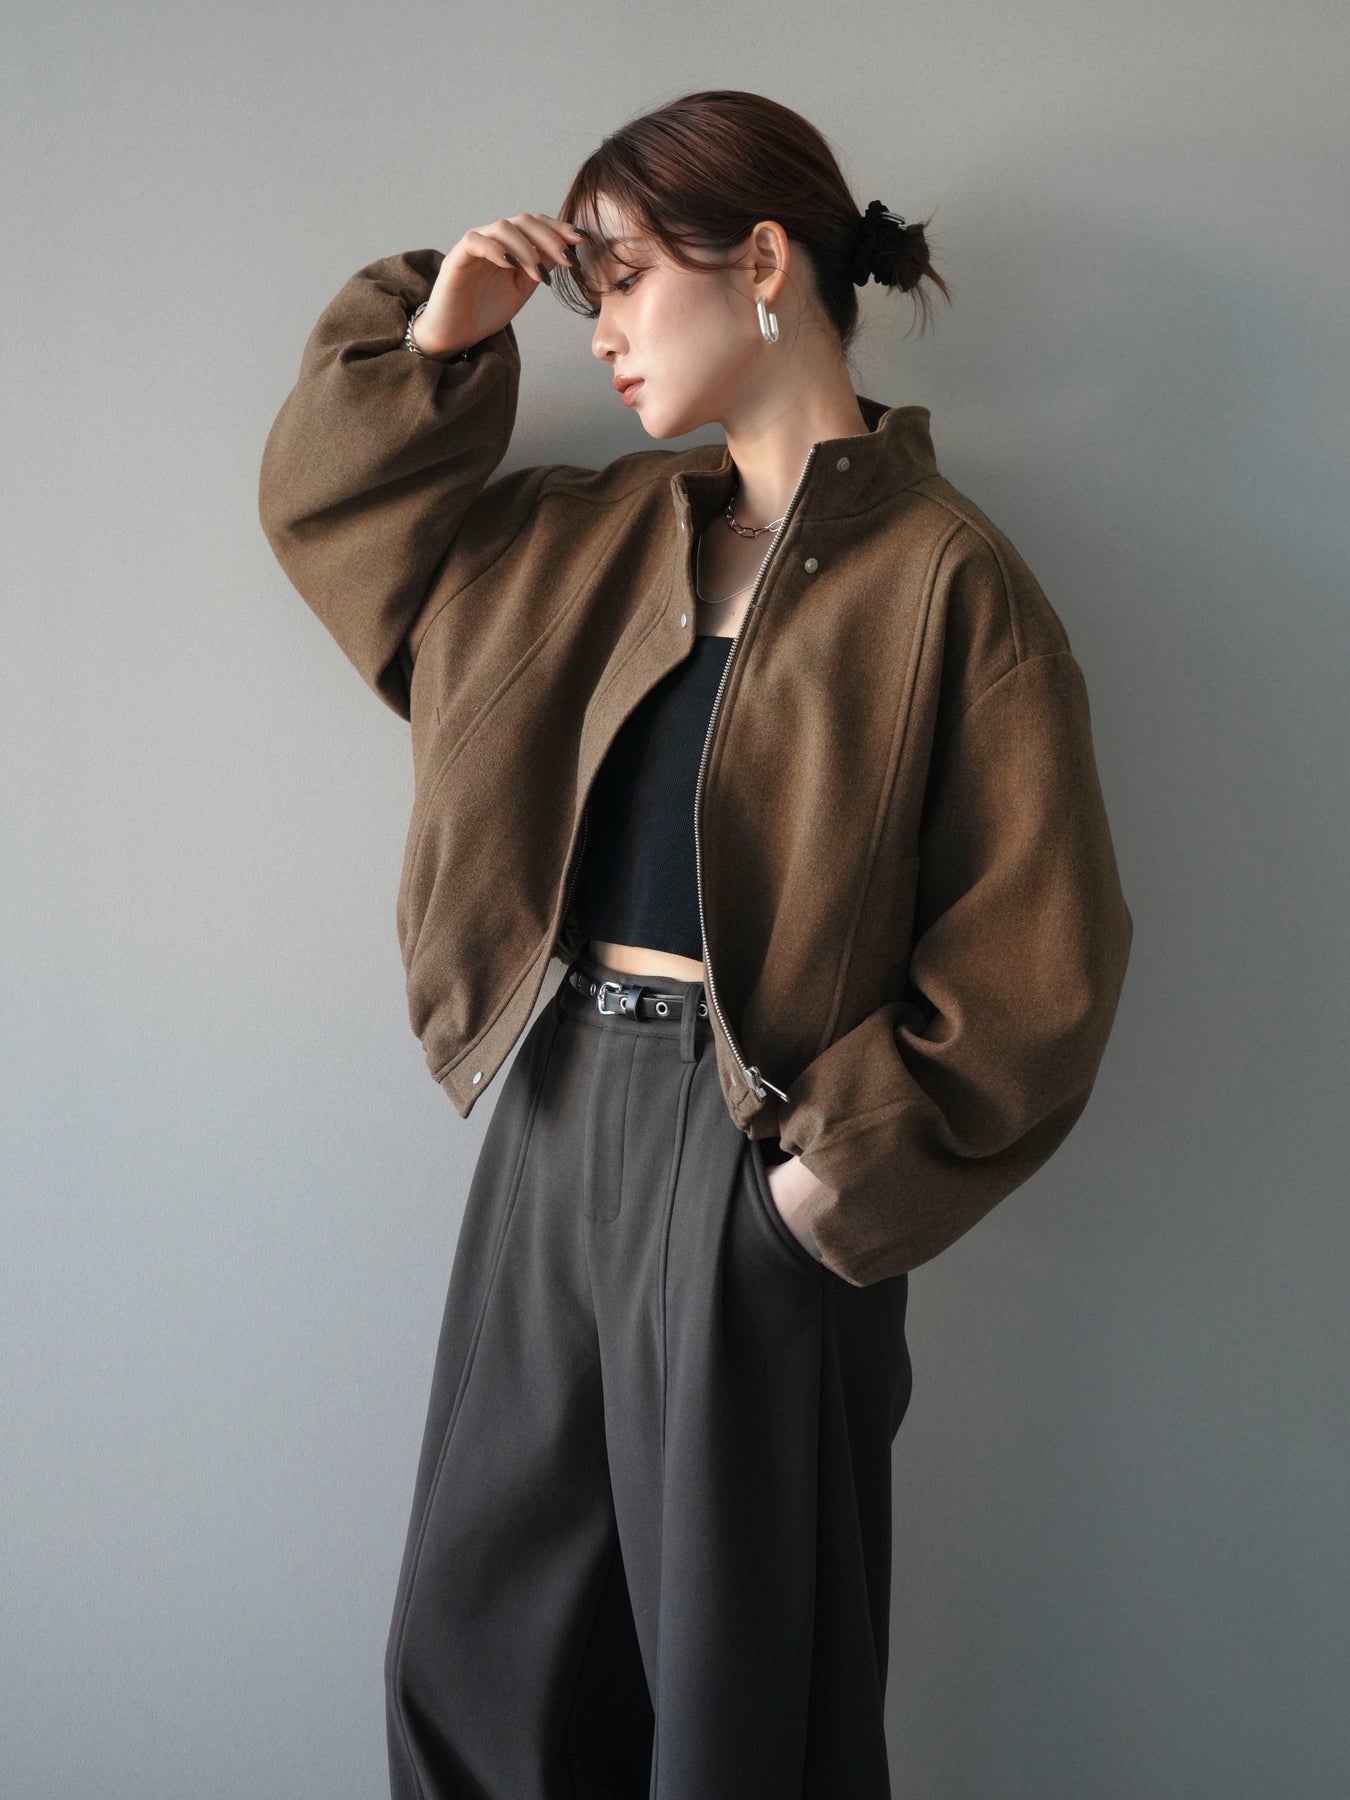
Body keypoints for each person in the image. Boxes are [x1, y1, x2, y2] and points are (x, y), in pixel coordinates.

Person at [259, 86, 1132, 1800]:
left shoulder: (948, 583)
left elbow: (1038, 966)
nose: (595, 332)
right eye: (581, 291)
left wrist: (817, 1200)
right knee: (475, 1659)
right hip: (545, 1116)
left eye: (622, 281)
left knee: (741, 1693)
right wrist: (436, 340)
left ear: (762, 263)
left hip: (754, 1150)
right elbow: (341, 533)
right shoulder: (573, 540)